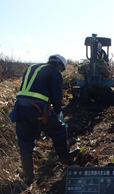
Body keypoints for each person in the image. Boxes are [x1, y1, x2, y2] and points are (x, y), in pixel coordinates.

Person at [10, 54, 80, 186]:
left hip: (20, 108)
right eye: (62, 69)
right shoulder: (54, 72)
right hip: (37, 109)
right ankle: (64, 157)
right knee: (59, 130)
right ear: (59, 65)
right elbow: (56, 95)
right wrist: (58, 112)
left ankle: (28, 178)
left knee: (25, 143)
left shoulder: (31, 68)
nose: (60, 71)